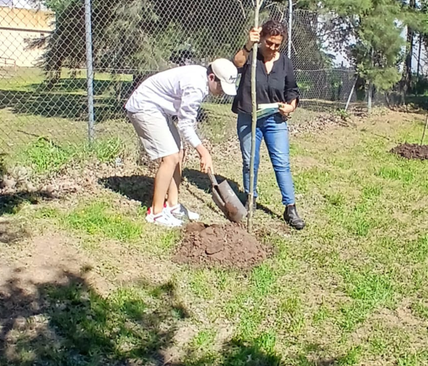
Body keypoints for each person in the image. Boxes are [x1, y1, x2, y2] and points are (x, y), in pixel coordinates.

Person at [125, 59, 238, 227]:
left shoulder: (202, 79)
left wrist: (201, 149)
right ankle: (156, 213)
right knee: (170, 157)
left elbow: (186, 121)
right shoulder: (196, 86)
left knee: (179, 152)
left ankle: (172, 206)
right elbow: (185, 125)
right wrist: (203, 151)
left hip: (159, 109)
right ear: (212, 77)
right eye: (221, 86)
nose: (222, 92)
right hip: (145, 107)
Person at [232, 20, 305, 230]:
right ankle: (250, 199)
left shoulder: (284, 62)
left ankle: (290, 208)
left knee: (281, 163)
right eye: (269, 43)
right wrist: (248, 45)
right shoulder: (251, 56)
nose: (272, 48)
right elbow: (235, 64)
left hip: (275, 119)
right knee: (249, 161)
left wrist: (291, 107)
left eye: (277, 45)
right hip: (249, 118)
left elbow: (292, 89)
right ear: (261, 38)